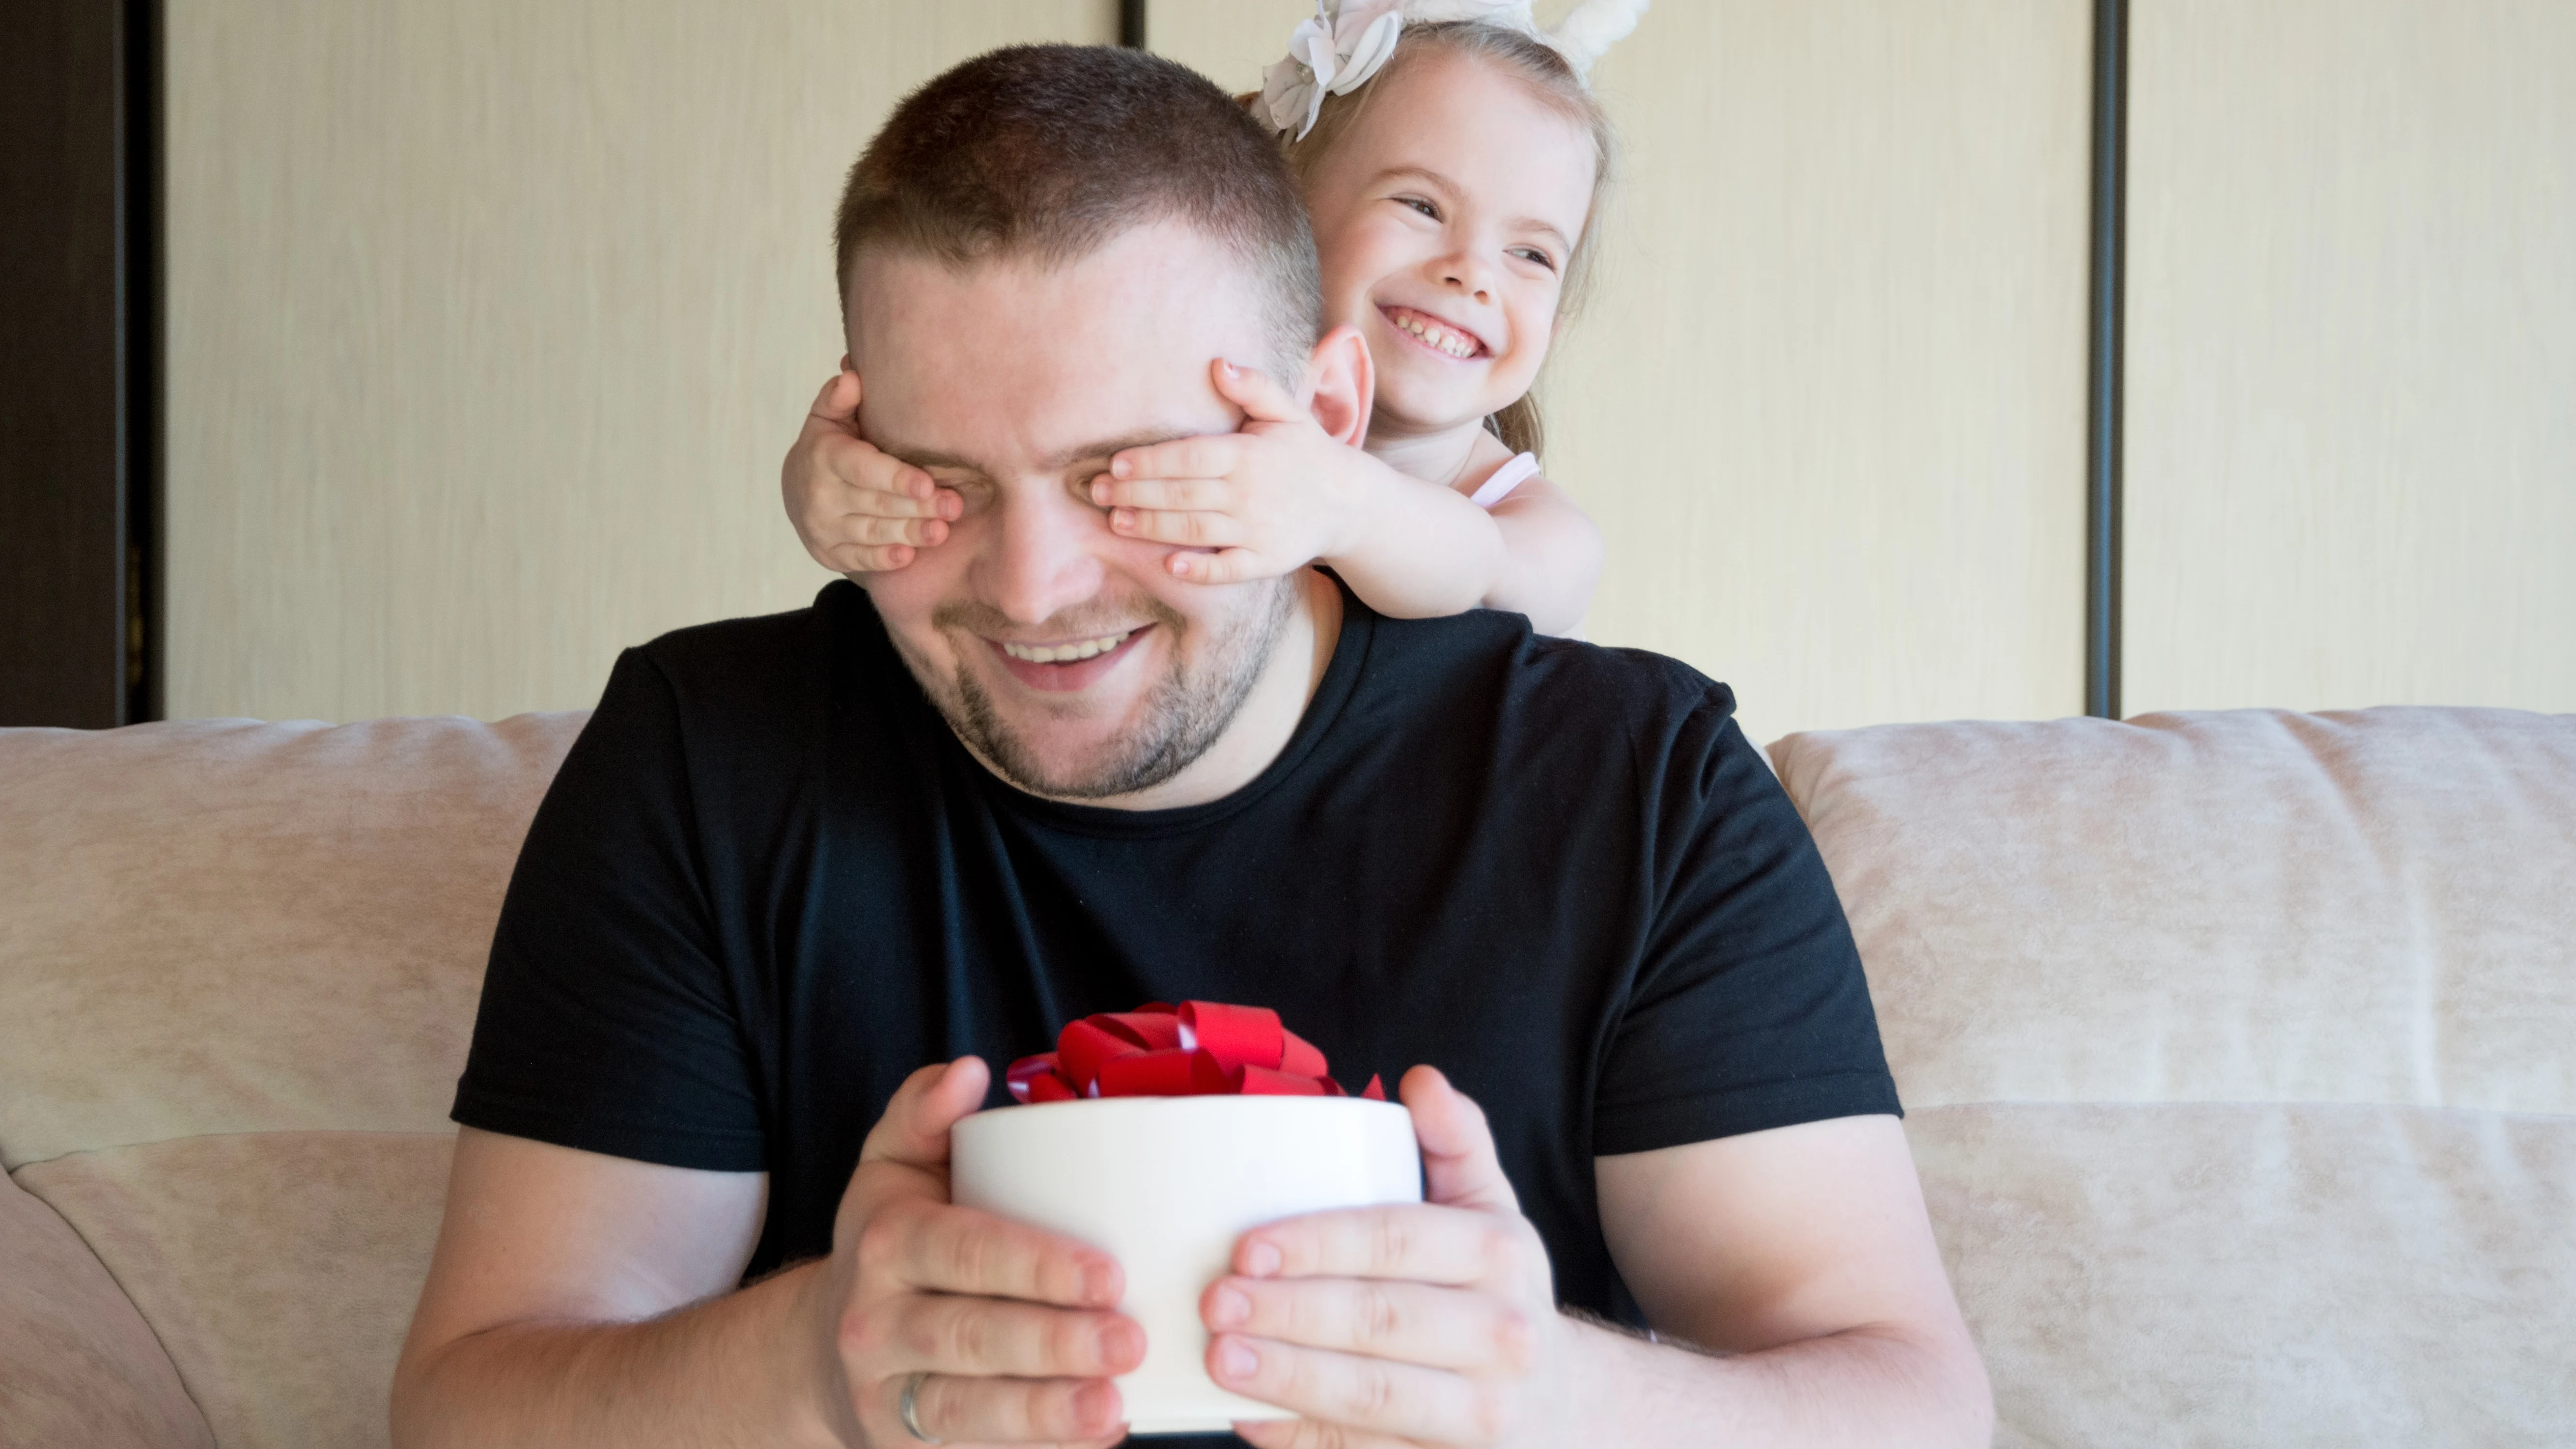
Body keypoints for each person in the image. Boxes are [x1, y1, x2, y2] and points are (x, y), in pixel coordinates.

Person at [392, 42, 1991, 1449]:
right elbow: (471, 1405)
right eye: (940, 480)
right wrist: (810, 1370)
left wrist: (1559, 1406)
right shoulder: (707, 760)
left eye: (1122, 476)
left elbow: (1911, 1405)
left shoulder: (1638, 793)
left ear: (1327, 414)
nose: (1030, 594)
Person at [782, 7, 1622, 637]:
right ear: (1281, 206)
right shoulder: (1190, 391)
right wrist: (835, 485)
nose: (1472, 273)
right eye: (1421, 204)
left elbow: (1488, 570)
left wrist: (1344, 509)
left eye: (1534, 255)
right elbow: (1004, 460)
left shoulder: (1533, 525)